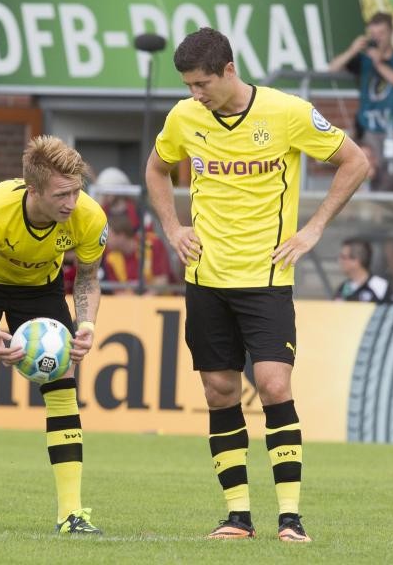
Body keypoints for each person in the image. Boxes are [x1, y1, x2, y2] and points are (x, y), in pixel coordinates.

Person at [145, 27, 369, 543]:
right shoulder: (184, 117)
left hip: (266, 278)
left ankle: (290, 518)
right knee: (219, 390)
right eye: (187, 85)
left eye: (201, 83)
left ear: (228, 70)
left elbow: (354, 161)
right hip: (205, 278)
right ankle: (237, 517)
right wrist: (173, 227)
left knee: (273, 384)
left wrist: (313, 229)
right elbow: (157, 169)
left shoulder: (287, 112)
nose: (194, 94)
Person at [0, 135, 107, 535]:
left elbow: (87, 277)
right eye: (61, 194)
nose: (72, 203)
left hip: (41, 287)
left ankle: (71, 514)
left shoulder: (89, 217)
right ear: (32, 190)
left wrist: (85, 324)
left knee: (64, 386)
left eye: (77, 191)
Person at [328, 12, 393, 164]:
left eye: (381, 33)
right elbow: (332, 69)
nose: (377, 38)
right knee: (367, 171)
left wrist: (379, 64)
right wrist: (352, 50)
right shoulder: (364, 59)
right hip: (369, 130)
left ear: (391, 32)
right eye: (373, 34)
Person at [101, 211, 173, 294]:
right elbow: (118, 293)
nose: (105, 240)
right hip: (131, 305)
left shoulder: (153, 243)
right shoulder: (110, 258)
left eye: (107, 235)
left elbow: (162, 281)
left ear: (121, 235)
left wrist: (143, 302)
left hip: (162, 302)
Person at [334, 238, 393, 303]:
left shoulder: (380, 286)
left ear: (356, 260)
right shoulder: (343, 287)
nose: (340, 261)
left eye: (343, 257)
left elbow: (392, 311)